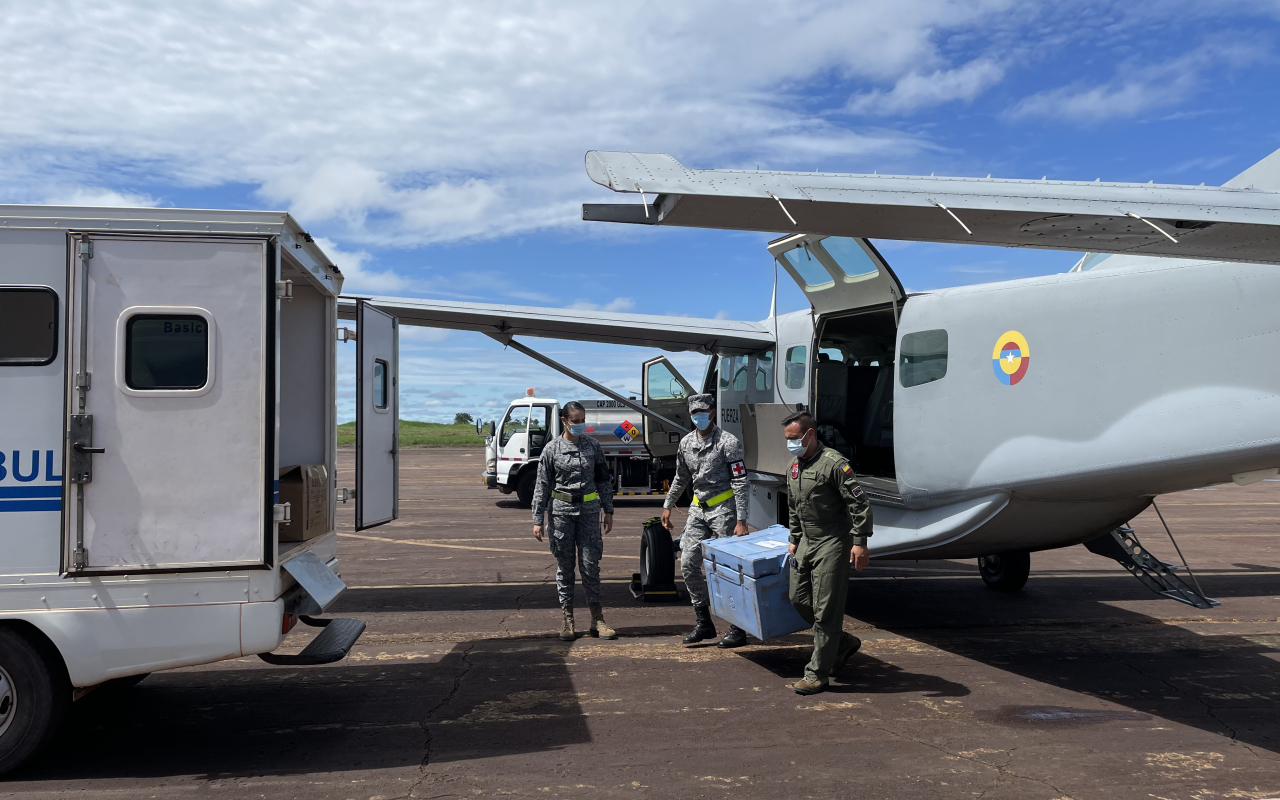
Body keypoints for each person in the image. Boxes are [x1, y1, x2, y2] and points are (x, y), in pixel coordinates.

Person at [782, 409, 872, 695]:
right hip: (806, 541)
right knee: (797, 598)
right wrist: (794, 538)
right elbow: (794, 507)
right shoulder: (794, 467)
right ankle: (843, 643)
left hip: (832, 542)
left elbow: (859, 504)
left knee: (826, 611)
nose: (790, 444)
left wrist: (860, 541)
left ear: (810, 434)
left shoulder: (834, 464)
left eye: (794, 438)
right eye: (787, 439)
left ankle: (817, 674)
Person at [660, 393, 750, 647]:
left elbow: (740, 481)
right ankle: (704, 622)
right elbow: (681, 477)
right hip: (698, 510)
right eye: (694, 413)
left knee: (727, 568)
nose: (699, 416)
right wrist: (668, 505)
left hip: (724, 509)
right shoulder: (686, 443)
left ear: (712, 412)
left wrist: (741, 519)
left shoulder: (728, 442)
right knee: (688, 563)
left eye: (703, 411)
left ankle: (737, 627)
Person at [532, 401, 616, 642]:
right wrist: (538, 519)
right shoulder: (552, 449)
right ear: (564, 421)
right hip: (561, 515)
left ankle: (597, 619)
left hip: (589, 514)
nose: (580, 425)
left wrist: (608, 510)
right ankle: (567, 618)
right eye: (575, 421)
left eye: (582, 420)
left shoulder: (593, 446)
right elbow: (542, 486)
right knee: (565, 568)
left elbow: (603, 480)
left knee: (590, 567)